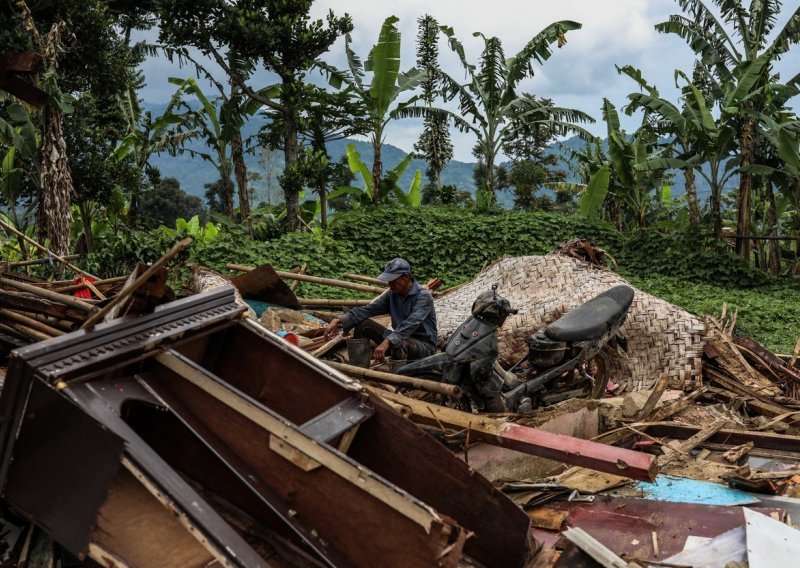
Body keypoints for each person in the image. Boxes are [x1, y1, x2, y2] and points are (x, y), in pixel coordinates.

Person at [323, 258, 437, 362]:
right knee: (363, 325)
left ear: (405, 277)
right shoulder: (392, 295)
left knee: (398, 342)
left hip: (423, 347)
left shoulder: (423, 296)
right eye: (388, 281)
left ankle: (398, 379)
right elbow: (369, 310)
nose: (389, 284)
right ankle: (359, 368)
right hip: (399, 339)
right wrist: (340, 320)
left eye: (392, 281)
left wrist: (388, 341)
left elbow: (412, 323)